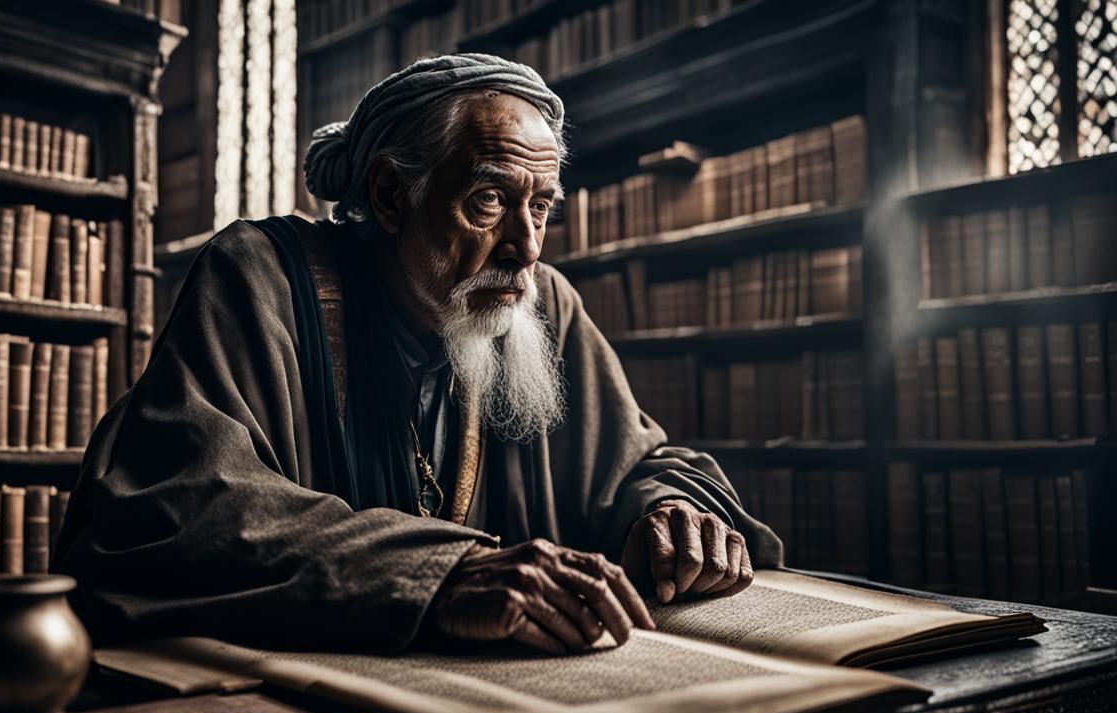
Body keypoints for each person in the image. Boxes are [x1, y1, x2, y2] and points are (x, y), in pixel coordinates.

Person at [53, 53, 782, 655]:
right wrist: (438, 573)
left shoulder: (541, 303)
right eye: (490, 202)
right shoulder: (260, 277)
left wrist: (670, 510)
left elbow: (635, 465)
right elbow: (174, 506)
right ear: (393, 195)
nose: (525, 248)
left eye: (542, 207)